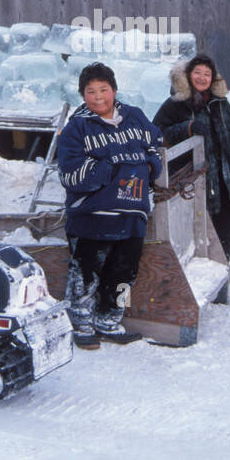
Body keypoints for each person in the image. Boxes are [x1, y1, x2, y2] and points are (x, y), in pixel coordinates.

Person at [57, 62, 164, 349]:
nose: (98, 97)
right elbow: (69, 174)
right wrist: (111, 165)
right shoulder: (76, 129)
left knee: (124, 274)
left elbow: (155, 144)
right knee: (86, 273)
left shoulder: (136, 117)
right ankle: (81, 324)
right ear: (83, 96)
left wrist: (150, 163)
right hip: (92, 215)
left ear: (114, 90)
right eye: (90, 92)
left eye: (103, 89)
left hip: (133, 214)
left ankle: (108, 321)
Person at [152, 54, 230, 281]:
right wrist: (186, 128)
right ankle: (202, 275)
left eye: (207, 74)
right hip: (193, 177)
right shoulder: (174, 105)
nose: (202, 77)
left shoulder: (220, 103)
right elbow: (157, 136)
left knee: (227, 222)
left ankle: (222, 267)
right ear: (188, 75)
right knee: (201, 225)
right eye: (197, 72)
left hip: (225, 176)